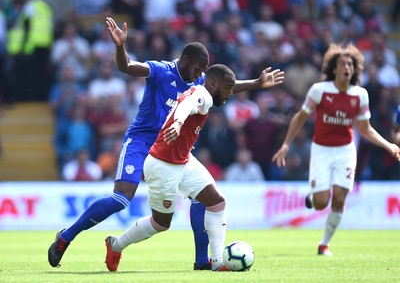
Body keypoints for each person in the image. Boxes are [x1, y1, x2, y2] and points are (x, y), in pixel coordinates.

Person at [48, 16, 284, 269]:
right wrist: (120, 46)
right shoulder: (161, 71)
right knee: (121, 199)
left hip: (172, 148)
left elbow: (223, 88)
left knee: (202, 199)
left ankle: (202, 260)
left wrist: (257, 83)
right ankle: (65, 237)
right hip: (141, 142)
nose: (200, 74)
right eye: (197, 68)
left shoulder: (199, 82)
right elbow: (126, 66)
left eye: (204, 70)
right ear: (184, 61)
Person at [103, 64, 235, 272]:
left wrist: (258, 83)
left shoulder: (201, 90)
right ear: (212, 83)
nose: (230, 93)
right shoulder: (203, 95)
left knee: (217, 202)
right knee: (161, 223)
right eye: (228, 87)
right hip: (162, 165)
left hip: (183, 160)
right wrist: (178, 122)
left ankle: (218, 262)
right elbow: (187, 105)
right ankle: (116, 245)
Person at [272, 43, 400, 256]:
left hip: (345, 151)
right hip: (321, 150)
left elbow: (365, 129)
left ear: (354, 68)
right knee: (322, 203)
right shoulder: (320, 90)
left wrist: (388, 145)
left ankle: (324, 244)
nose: (346, 67)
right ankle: (314, 198)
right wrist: (286, 144)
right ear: (334, 69)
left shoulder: (360, 95)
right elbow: (300, 117)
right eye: (342, 64)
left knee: (340, 199)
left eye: (349, 64)